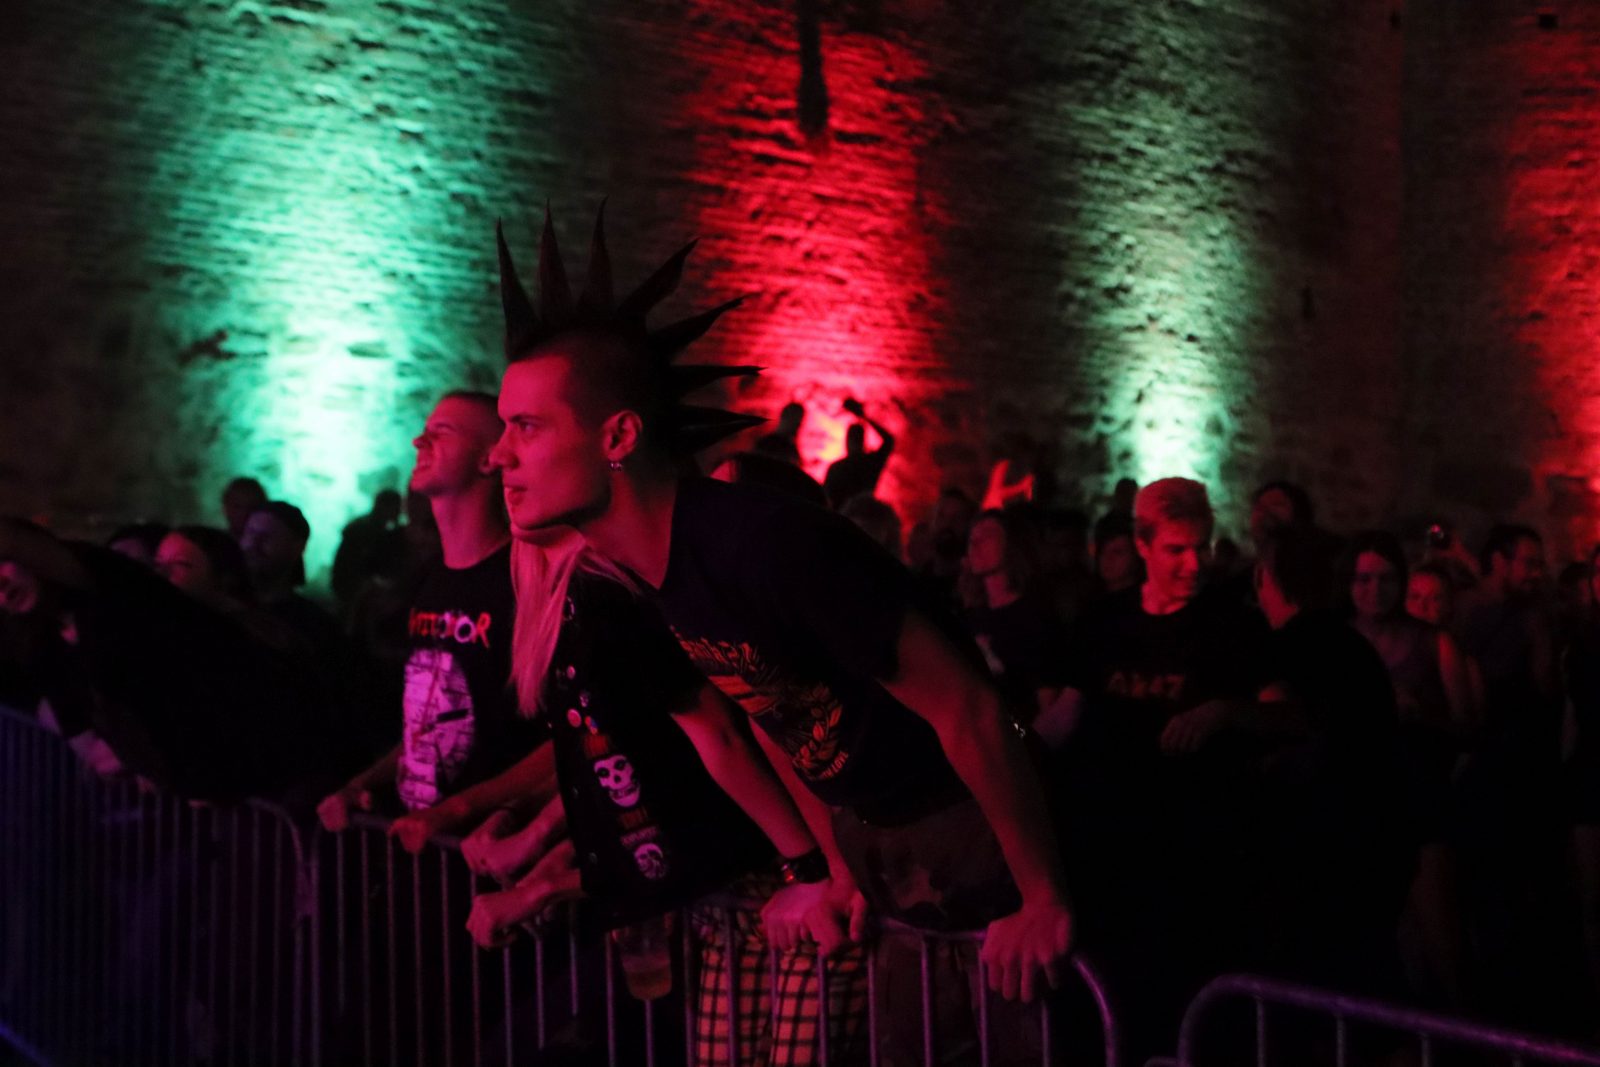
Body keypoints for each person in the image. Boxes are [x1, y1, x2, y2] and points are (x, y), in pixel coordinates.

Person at [490, 208, 1070, 1061]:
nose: (498, 455)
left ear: (618, 435)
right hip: (896, 860)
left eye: (527, 427)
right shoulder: (659, 574)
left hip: (981, 840)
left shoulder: (763, 542)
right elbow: (771, 712)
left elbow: (969, 707)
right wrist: (833, 872)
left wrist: (1041, 894)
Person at [463, 530, 860, 1065]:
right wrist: (549, 852)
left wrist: (813, 867)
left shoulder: (618, 597)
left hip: (771, 874)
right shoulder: (576, 604)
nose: (509, 484)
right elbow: (613, 770)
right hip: (730, 890)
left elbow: (723, 745)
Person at [1035, 478, 1268, 1056]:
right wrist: (1008, 751)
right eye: (1176, 549)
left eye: (1202, 546)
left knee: (1181, 1014)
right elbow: (1066, 714)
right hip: (1107, 851)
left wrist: (1223, 712)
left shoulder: (1232, 625)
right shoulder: (1104, 621)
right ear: (1142, 545)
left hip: (1192, 858)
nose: (1194, 563)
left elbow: (1285, 717)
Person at [317, 393, 553, 854]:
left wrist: (459, 810)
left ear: (489, 459)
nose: (418, 441)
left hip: (488, 850)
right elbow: (426, 724)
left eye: (442, 432)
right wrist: (363, 782)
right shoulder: (430, 580)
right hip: (424, 841)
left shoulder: (527, 579)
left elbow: (568, 736)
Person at [1343, 532, 1480, 1010]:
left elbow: (1468, 727)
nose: (1374, 590)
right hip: (1357, 803)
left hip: (1419, 799)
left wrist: (1419, 715)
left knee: (1440, 938)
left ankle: (1459, 1032)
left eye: (1386, 579)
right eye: (1363, 579)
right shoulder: (1339, 641)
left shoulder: (1431, 641)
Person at [962, 508, 1067, 721]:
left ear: (1012, 544)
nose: (975, 542)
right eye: (972, 538)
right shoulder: (970, 618)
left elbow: (1048, 705)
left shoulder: (1036, 618)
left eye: (988, 535)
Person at [331, 488, 404, 609]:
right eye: (396, 507)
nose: (399, 512)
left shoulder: (366, 527)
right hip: (354, 592)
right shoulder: (368, 531)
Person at [822, 397, 895, 509]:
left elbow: (826, 498)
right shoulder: (871, 463)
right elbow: (889, 440)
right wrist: (864, 417)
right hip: (863, 513)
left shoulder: (838, 467)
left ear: (847, 441)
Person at [752, 401, 805, 465]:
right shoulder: (768, 445)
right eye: (797, 421)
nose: (799, 426)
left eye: (799, 422)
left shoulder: (789, 447)